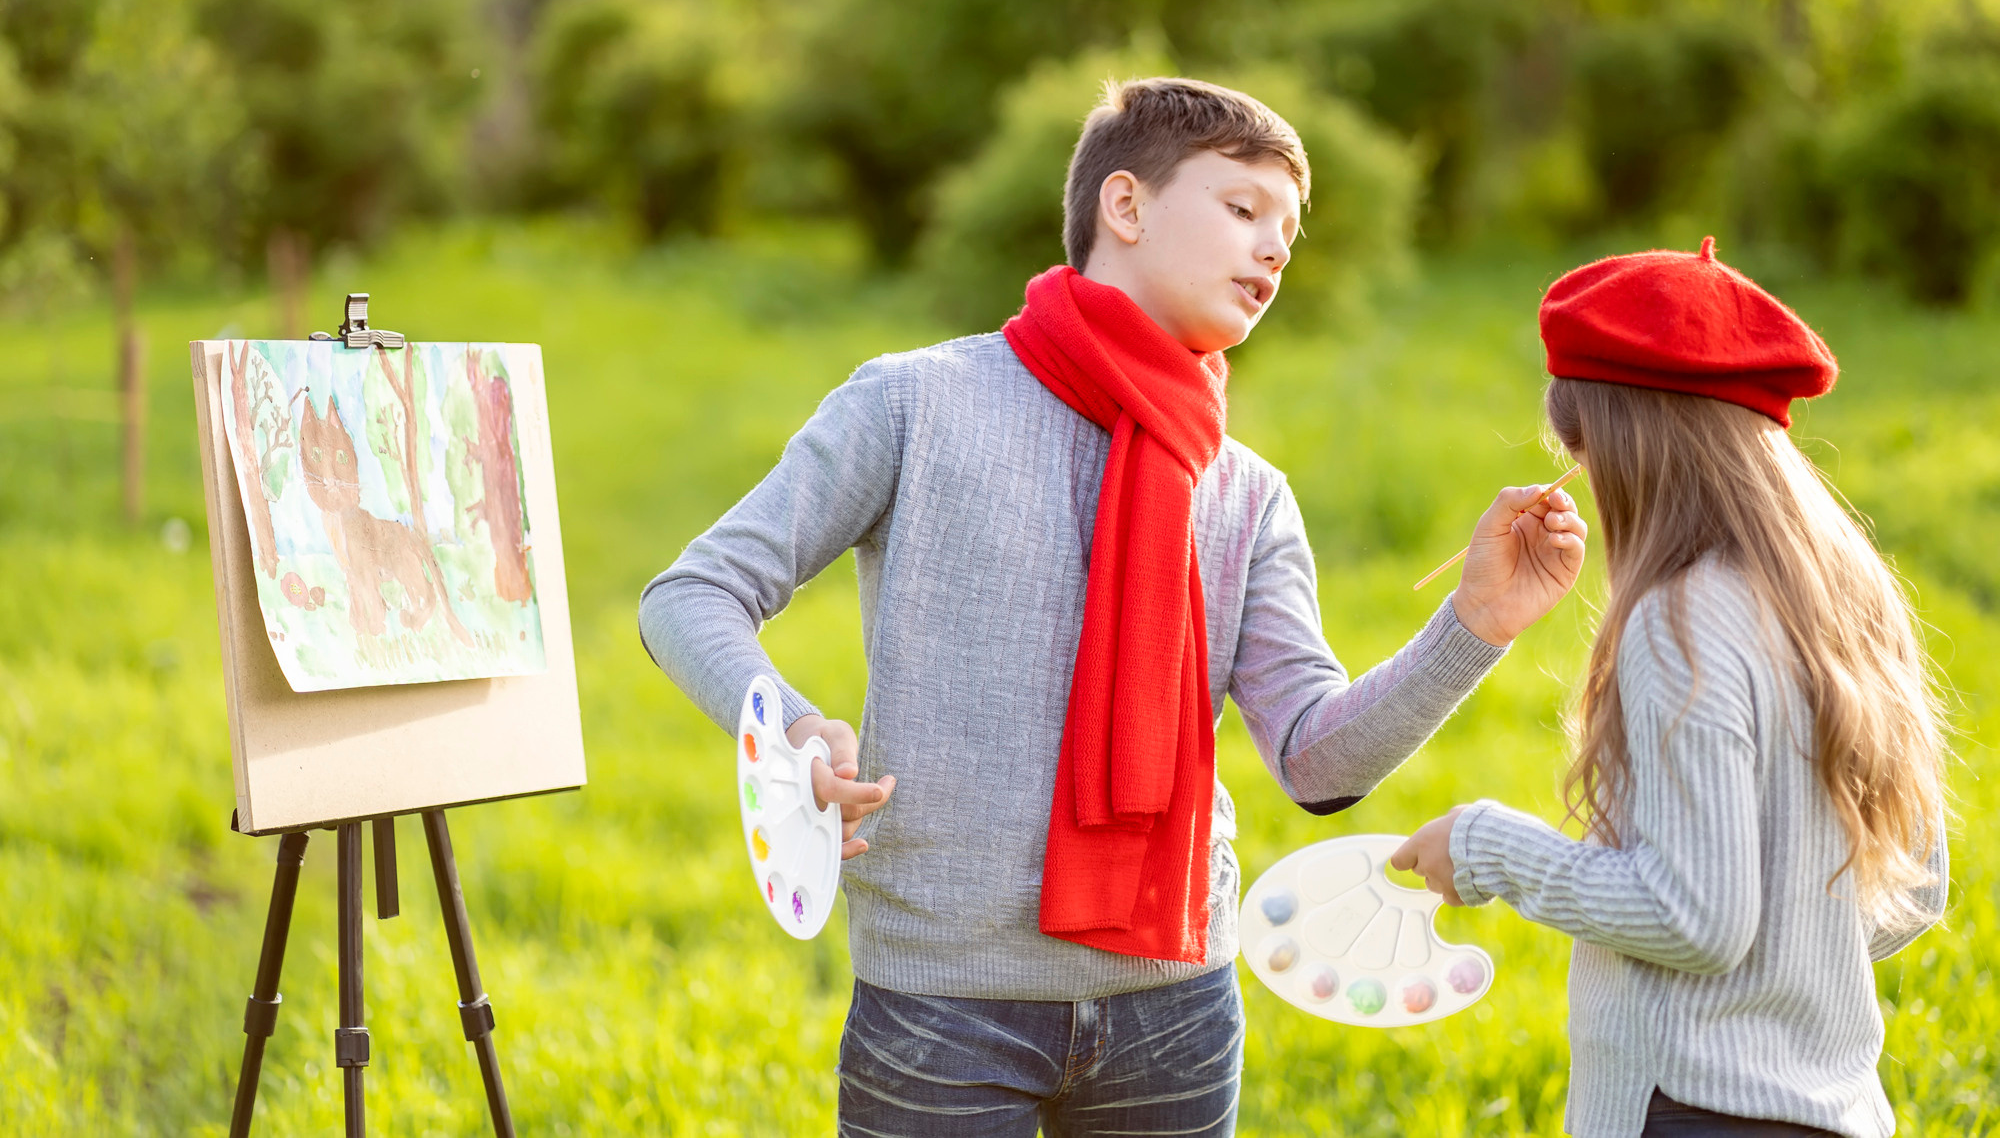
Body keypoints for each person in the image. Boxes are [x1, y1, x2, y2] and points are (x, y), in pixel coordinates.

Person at [641, 77, 1588, 1137]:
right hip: (942, 1003)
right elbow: (691, 594)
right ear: (1124, 208)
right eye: (1241, 210)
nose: (1273, 250)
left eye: (1287, 231)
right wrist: (785, 731)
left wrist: (1474, 626)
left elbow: (1317, 763)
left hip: (1173, 1006)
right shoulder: (912, 403)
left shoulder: (1242, 490)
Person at [1392, 238, 1950, 1138]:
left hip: (1691, 1110)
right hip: (1840, 1108)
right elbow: (1916, 886)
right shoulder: (1848, 596)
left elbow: (1697, 918)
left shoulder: (1678, 622)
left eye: (1583, 449)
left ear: (1625, 443)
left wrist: (1488, 846)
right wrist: (1787, 970)